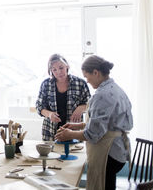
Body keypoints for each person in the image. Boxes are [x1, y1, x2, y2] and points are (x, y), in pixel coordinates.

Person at [55, 55, 133, 190]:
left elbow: (93, 134)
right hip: (120, 150)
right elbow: (107, 124)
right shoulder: (116, 89)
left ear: (96, 72)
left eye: (87, 76)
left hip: (108, 153)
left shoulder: (101, 95)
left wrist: (70, 134)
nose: (87, 80)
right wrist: (78, 125)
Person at [36, 54, 91, 141]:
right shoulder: (46, 84)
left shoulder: (80, 83)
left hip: (74, 132)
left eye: (61, 68)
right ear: (51, 71)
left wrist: (80, 108)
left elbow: (90, 104)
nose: (59, 72)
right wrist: (50, 114)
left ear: (67, 66)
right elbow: (39, 107)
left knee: (75, 154)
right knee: (52, 154)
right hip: (50, 132)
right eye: (54, 70)